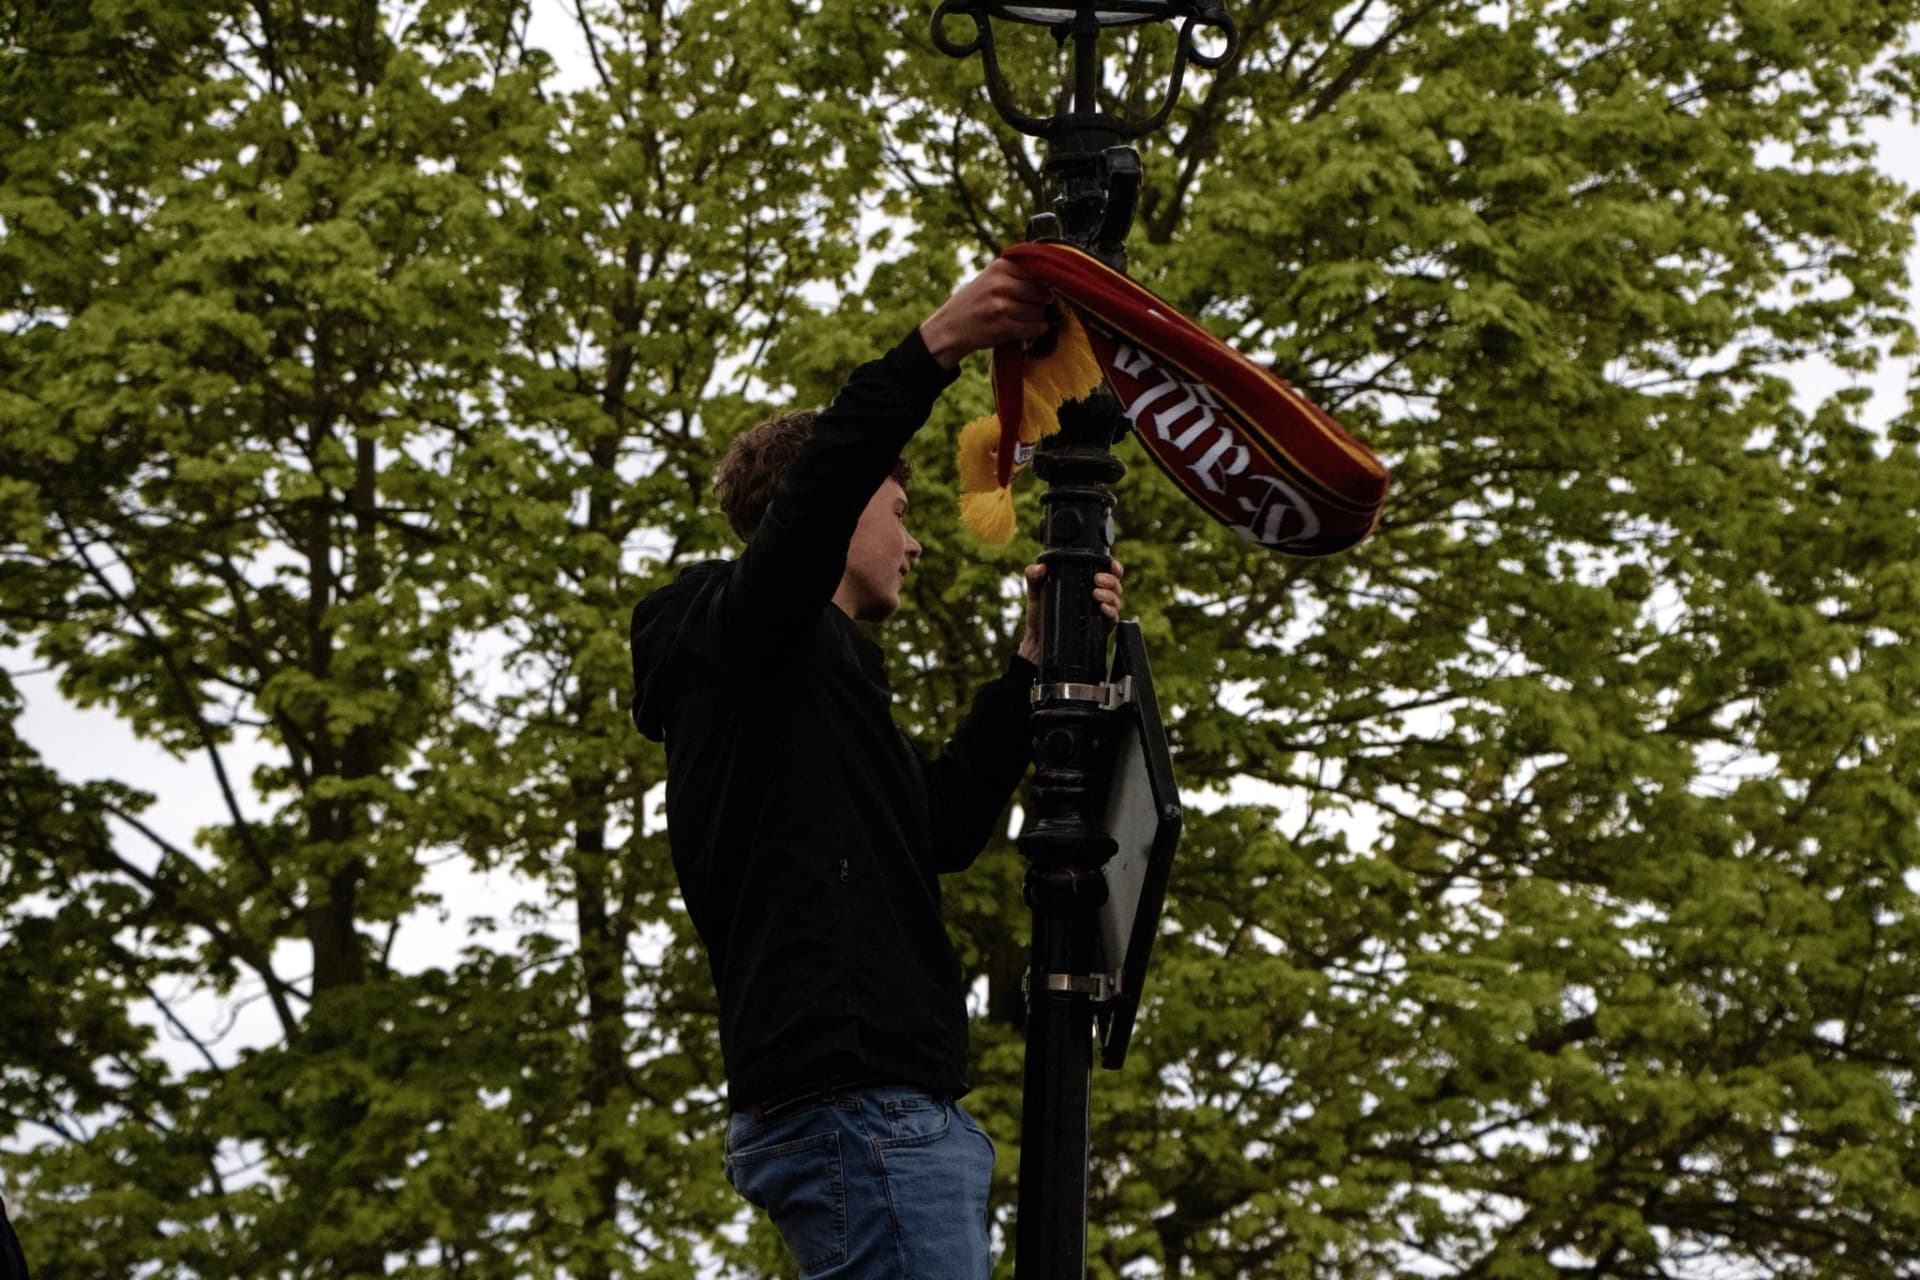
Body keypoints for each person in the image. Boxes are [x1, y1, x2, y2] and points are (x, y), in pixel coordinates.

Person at [629, 259, 1124, 1279]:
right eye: (898, 511)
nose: (914, 544)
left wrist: (1029, 667)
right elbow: (813, 502)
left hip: (884, 1111)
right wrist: (936, 346)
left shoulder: (811, 692)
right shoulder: (746, 633)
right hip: (863, 1109)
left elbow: (936, 827)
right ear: (845, 508)